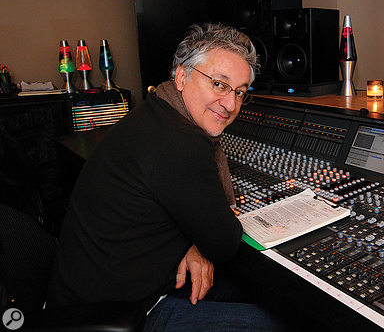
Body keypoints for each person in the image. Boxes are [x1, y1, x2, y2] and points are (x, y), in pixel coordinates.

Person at [47, 23, 286, 331]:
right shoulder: (180, 142)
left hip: (83, 295)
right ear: (182, 77)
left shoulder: (155, 113)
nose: (230, 104)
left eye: (240, 92)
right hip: (118, 315)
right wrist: (201, 241)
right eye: (219, 84)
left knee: (262, 293)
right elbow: (224, 243)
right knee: (283, 322)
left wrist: (193, 243)